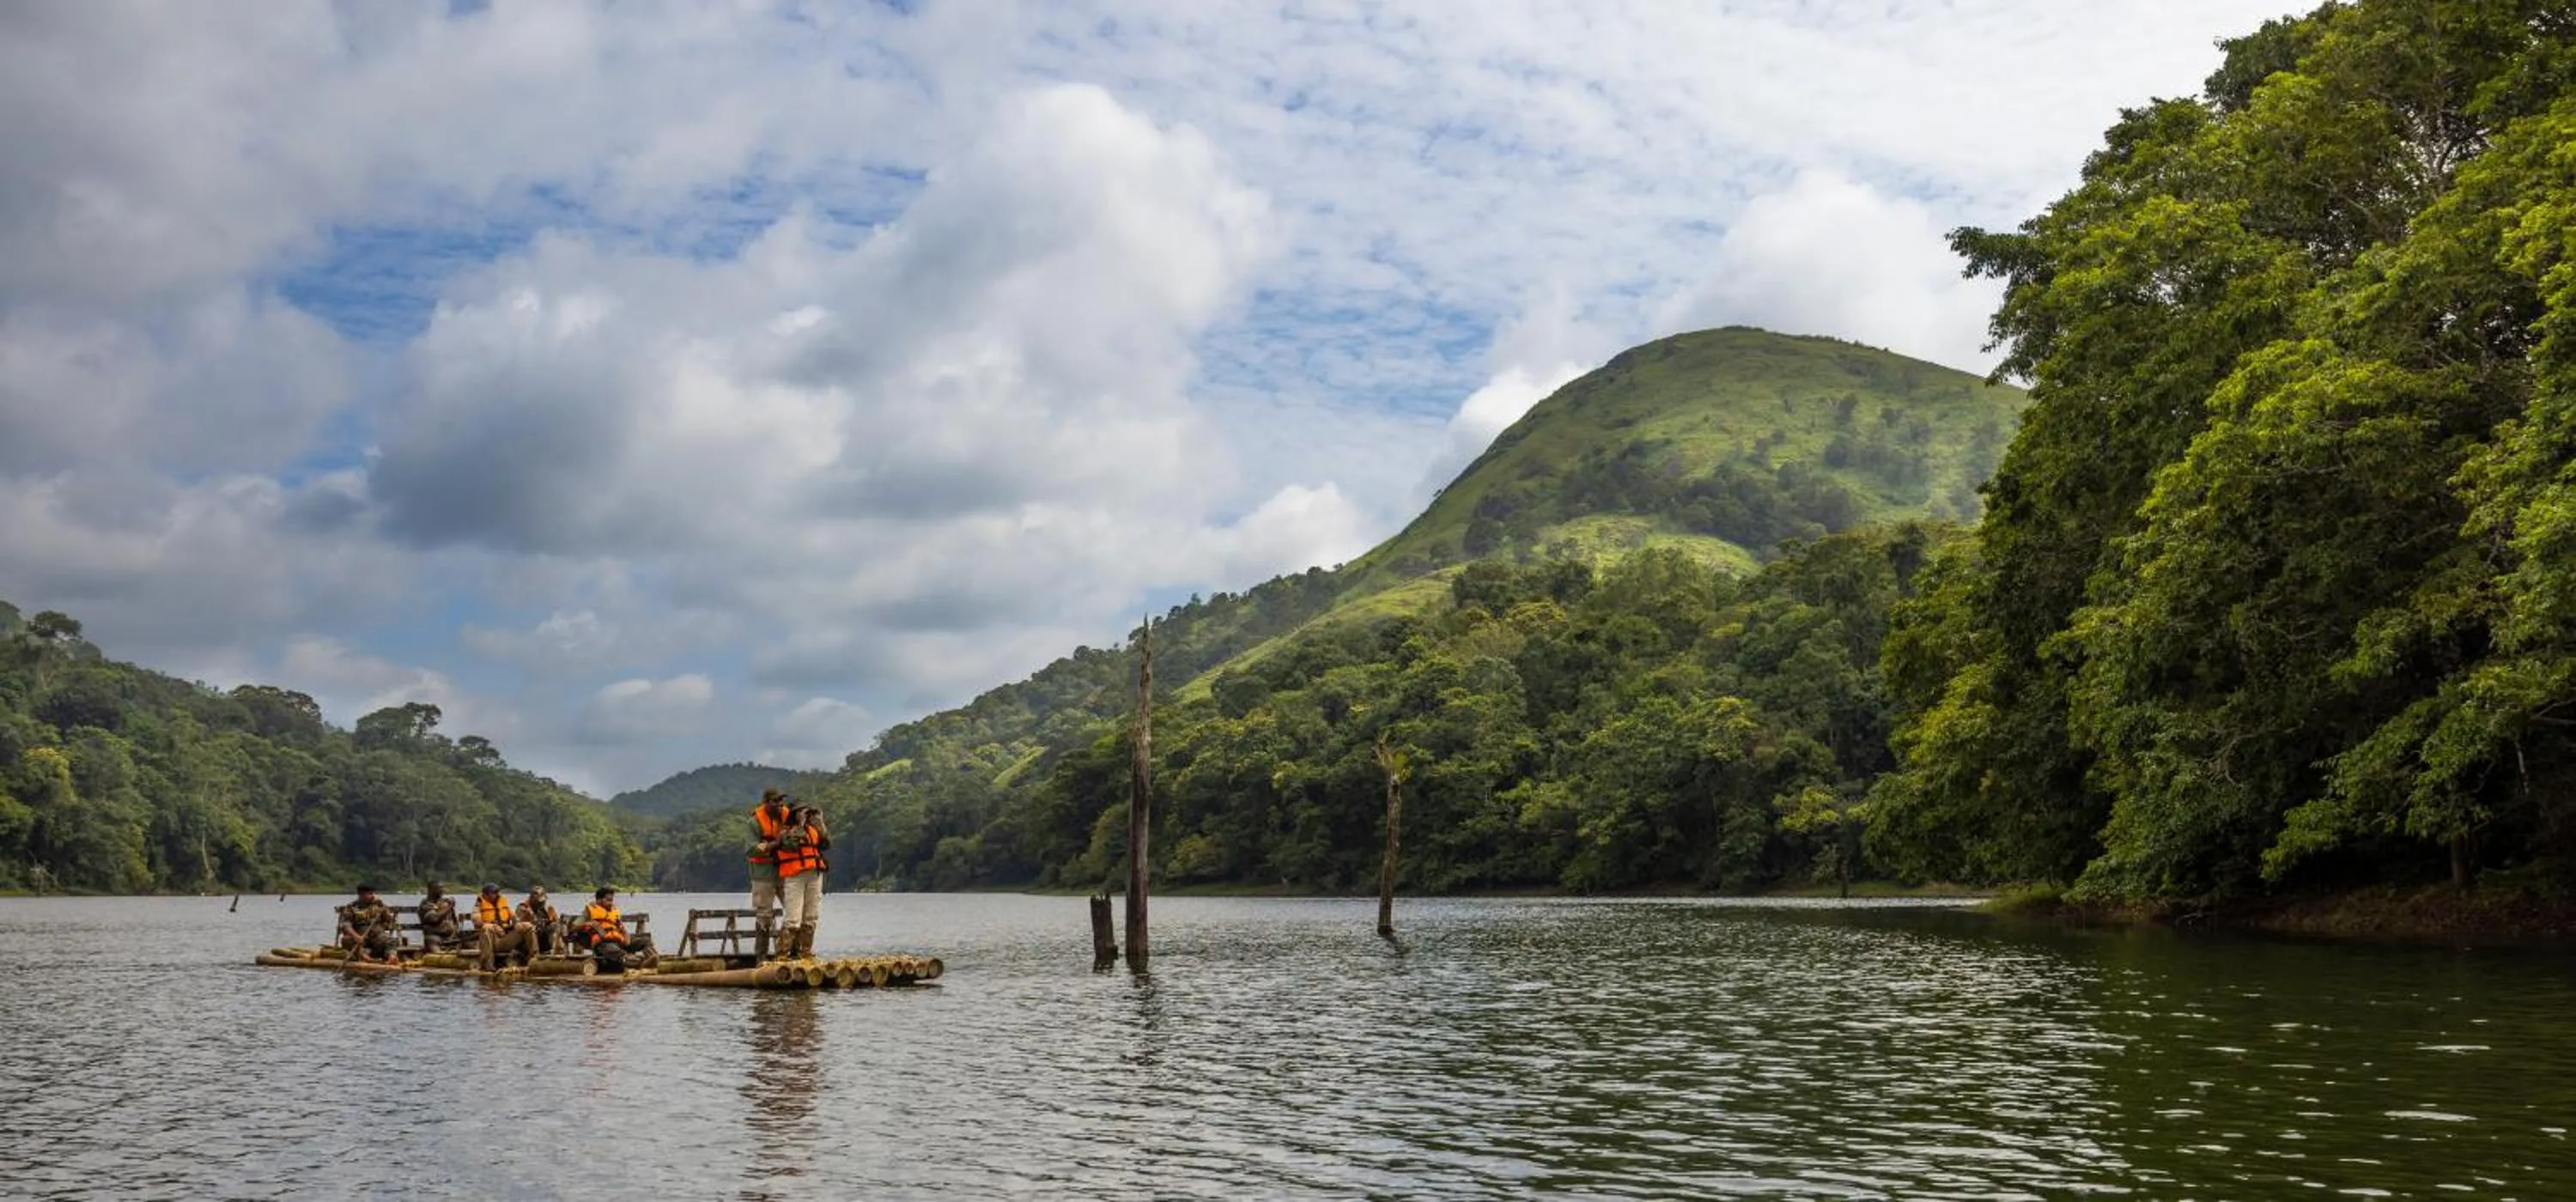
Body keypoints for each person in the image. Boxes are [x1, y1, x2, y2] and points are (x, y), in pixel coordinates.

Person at [775, 804, 831, 960]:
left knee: (811, 916)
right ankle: (782, 953)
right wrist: (799, 825)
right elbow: (790, 846)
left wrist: (820, 822)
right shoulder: (786, 832)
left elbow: (826, 844)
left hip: (814, 874)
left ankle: (806, 951)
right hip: (795, 876)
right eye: (801, 812)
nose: (805, 815)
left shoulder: (812, 830)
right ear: (794, 814)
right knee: (793, 917)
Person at [748, 789, 793, 951]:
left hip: (785, 871)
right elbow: (751, 850)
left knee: (794, 912)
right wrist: (775, 843)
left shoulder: (788, 818)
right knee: (764, 916)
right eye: (775, 801)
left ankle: (790, 951)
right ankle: (761, 957)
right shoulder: (754, 822)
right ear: (766, 802)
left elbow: (793, 845)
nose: (780, 804)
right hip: (762, 874)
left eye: (782, 801)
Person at [472, 883, 537, 971]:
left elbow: (513, 916)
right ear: (486, 894)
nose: (497, 894)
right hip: (491, 941)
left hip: (505, 938)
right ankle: (488, 964)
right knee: (487, 928)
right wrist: (494, 927)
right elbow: (477, 922)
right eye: (494, 892)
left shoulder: (502, 901)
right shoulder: (478, 905)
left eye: (497, 892)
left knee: (527, 926)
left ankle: (534, 959)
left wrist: (517, 922)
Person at [576, 886, 634, 973]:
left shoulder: (614, 911)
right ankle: (632, 962)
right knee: (615, 950)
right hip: (603, 944)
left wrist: (625, 934)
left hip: (618, 942)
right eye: (608, 900)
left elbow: (622, 929)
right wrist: (589, 923)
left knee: (645, 941)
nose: (611, 903)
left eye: (612, 900)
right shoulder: (590, 910)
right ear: (599, 900)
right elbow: (575, 926)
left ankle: (652, 962)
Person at [337, 883, 398, 962]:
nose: (373, 896)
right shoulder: (351, 907)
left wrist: (386, 913)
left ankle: (392, 957)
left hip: (377, 937)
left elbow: (389, 921)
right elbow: (346, 925)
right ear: (361, 895)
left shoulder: (379, 905)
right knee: (346, 940)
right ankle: (366, 958)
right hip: (361, 938)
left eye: (373, 893)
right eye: (370, 894)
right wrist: (356, 936)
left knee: (391, 940)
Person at [518, 886, 562, 955]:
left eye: (543, 901)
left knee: (557, 926)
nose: (541, 903)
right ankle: (535, 954)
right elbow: (519, 925)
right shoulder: (523, 908)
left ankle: (559, 952)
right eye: (539, 902)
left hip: (544, 936)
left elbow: (557, 921)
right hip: (528, 939)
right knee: (532, 929)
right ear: (532, 899)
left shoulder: (548, 908)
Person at [416, 882, 460, 951]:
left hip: (452, 937)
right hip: (435, 937)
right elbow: (435, 919)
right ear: (430, 890)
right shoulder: (425, 905)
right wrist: (450, 907)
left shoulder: (444, 902)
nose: (442, 890)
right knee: (431, 940)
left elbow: (454, 920)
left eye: (442, 888)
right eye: (439, 888)